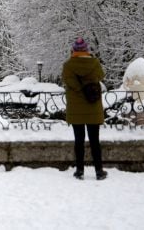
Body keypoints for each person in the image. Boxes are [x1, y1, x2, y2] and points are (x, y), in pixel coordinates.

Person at [62, 37, 107, 181]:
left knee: (79, 141)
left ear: (73, 50)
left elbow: (68, 81)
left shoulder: (68, 65)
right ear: (86, 50)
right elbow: (101, 75)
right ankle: (99, 171)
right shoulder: (94, 63)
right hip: (93, 107)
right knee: (95, 141)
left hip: (76, 110)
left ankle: (79, 170)